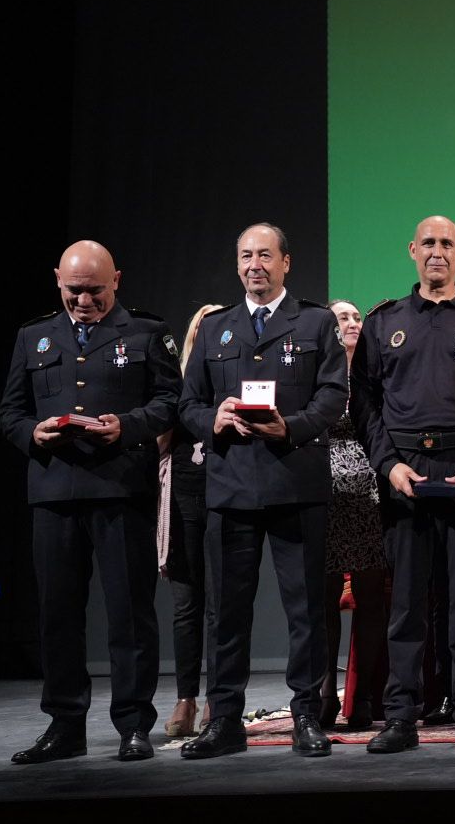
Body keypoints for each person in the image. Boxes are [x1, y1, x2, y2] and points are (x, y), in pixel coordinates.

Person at [0, 240, 179, 763]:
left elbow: (170, 401)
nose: (84, 301)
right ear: (58, 280)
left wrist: (127, 426)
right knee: (58, 616)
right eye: (74, 290)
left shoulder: (147, 332)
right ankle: (64, 724)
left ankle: (133, 725)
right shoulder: (33, 336)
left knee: (129, 616)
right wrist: (34, 434)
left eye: (95, 291)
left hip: (122, 491)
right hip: (54, 494)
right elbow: (9, 411)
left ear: (116, 280)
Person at [178, 223, 347, 758]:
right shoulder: (216, 328)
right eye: (246, 255)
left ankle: (306, 716)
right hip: (230, 488)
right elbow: (187, 405)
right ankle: (224, 720)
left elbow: (332, 396)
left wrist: (289, 427)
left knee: (306, 612)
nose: (255, 264)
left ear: (285, 263)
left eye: (265, 255)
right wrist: (217, 417)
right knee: (226, 612)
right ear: (237, 264)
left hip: (296, 483)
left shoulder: (316, 322)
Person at [350, 216, 455, 753]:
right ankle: (401, 714)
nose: (437, 252)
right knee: (405, 604)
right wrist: (389, 466)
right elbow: (364, 404)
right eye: (428, 243)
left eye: (447, 244)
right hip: (403, 477)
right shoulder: (383, 322)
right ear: (412, 251)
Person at [322, 298, 390, 729]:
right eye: (341, 317)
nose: (351, 323)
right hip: (325, 495)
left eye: (355, 317)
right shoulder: (317, 374)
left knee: (371, 599)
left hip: (372, 495)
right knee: (324, 601)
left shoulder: (375, 376)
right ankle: (326, 693)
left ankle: (363, 696)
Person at [160, 303, 222, 738]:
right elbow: (158, 439)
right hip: (182, 497)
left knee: (222, 605)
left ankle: (219, 696)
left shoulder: (236, 380)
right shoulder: (175, 382)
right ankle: (186, 696)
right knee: (187, 605)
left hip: (224, 497)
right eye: (201, 325)